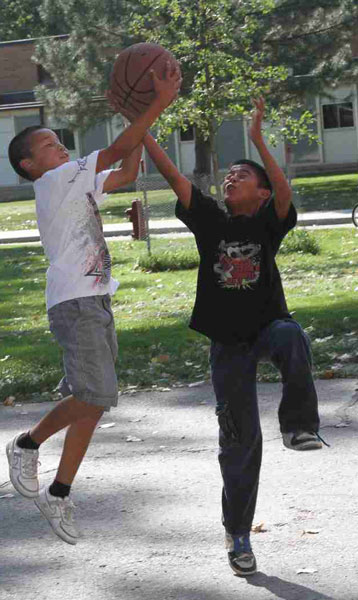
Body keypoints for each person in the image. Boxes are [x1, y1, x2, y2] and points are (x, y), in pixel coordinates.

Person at [111, 96, 324, 576]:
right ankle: (239, 534)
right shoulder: (211, 221)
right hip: (228, 344)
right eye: (228, 173)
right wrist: (140, 126)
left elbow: (287, 193)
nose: (231, 177)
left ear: (263, 193)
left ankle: (298, 426)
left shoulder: (269, 222)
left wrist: (257, 140)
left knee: (291, 334)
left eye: (242, 174)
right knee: (239, 443)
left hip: (268, 330)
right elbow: (173, 175)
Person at [5, 64, 181, 545]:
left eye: (59, 142)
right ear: (29, 165)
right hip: (75, 302)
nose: (60, 147)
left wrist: (137, 117)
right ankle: (25, 443)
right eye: (48, 145)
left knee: (94, 403)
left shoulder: (72, 180)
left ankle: (59, 492)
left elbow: (126, 169)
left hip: (95, 298)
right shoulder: (55, 180)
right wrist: (153, 104)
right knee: (95, 394)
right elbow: (119, 150)